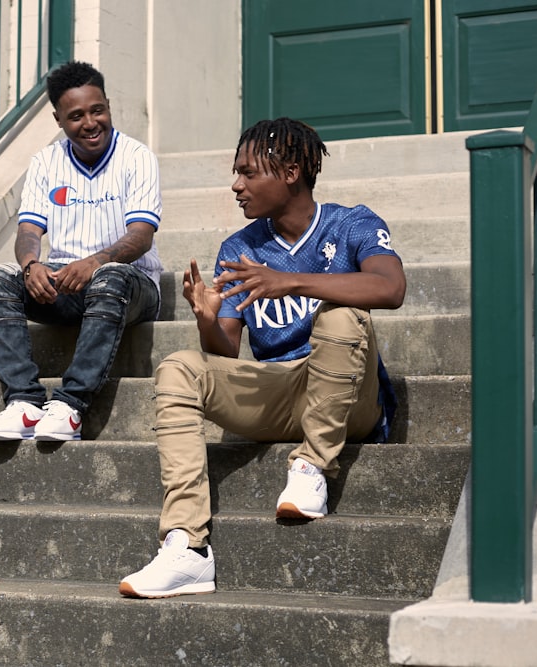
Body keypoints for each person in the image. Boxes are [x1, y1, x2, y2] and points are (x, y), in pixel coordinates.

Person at [118, 117, 406, 598]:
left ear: (290, 171)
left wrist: (288, 280)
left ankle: (312, 468)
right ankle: (186, 548)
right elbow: (224, 354)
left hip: (347, 399)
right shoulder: (240, 247)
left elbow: (391, 288)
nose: (236, 185)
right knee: (179, 367)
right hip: (277, 391)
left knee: (340, 317)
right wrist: (209, 319)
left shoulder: (351, 223)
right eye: (237, 173)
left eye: (248, 173)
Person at [0, 60, 162, 442]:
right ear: (58, 119)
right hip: (66, 285)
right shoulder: (46, 162)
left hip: (131, 285)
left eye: (98, 110)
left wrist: (95, 262)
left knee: (110, 277)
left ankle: (71, 406)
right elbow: (28, 230)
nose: (90, 122)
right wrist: (31, 265)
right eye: (76, 115)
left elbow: (141, 236)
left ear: (108, 105)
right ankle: (25, 404)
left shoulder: (136, 156)